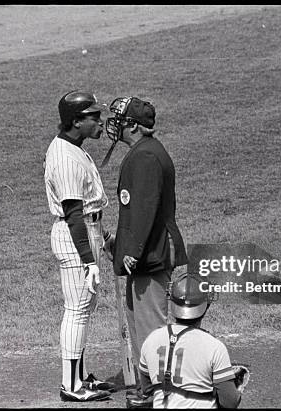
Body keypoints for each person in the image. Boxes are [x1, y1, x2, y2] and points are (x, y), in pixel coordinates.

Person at [102, 96, 188, 406]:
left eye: (120, 119)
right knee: (139, 324)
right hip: (143, 253)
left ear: (135, 126)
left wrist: (134, 250)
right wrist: (120, 246)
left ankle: (161, 393)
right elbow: (136, 209)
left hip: (150, 254)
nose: (115, 125)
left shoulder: (147, 157)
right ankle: (148, 387)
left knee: (151, 326)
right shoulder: (145, 152)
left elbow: (147, 207)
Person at [44, 90, 117, 402]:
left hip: (87, 234)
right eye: (94, 117)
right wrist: (88, 262)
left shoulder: (73, 146)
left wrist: (107, 239)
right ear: (76, 121)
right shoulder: (64, 158)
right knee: (76, 310)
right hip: (76, 239)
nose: (100, 121)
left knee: (84, 309)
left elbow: (88, 211)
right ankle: (71, 386)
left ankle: (79, 377)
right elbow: (75, 215)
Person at [136, 272, 246, 408]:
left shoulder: (151, 340)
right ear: (206, 305)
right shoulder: (214, 347)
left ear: (172, 301)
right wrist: (236, 388)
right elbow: (230, 402)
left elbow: (146, 389)